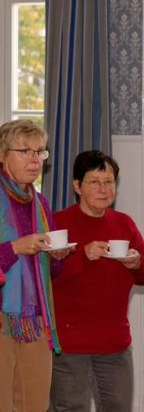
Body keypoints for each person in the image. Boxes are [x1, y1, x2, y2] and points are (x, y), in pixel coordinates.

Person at [48, 150, 144, 412]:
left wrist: (136, 263)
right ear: (77, 186)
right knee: (70, 408)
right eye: (94, 182)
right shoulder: (58, 223)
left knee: (119, 407)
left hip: (115, 343)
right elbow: (47, 277)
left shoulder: (124, 223)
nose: (104, 189)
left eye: (109, 182)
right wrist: (83, 256)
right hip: (69, 343)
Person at [0, 119, 72, 412]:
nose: (35, 159)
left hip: (35, 321)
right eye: (25, 151)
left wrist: (55, 258)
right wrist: (15, 248)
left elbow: (49, 274)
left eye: (40, 152)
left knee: (34, 404)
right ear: (3, 155)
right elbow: (19, 250)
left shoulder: (39, 203)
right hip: (2, 319)